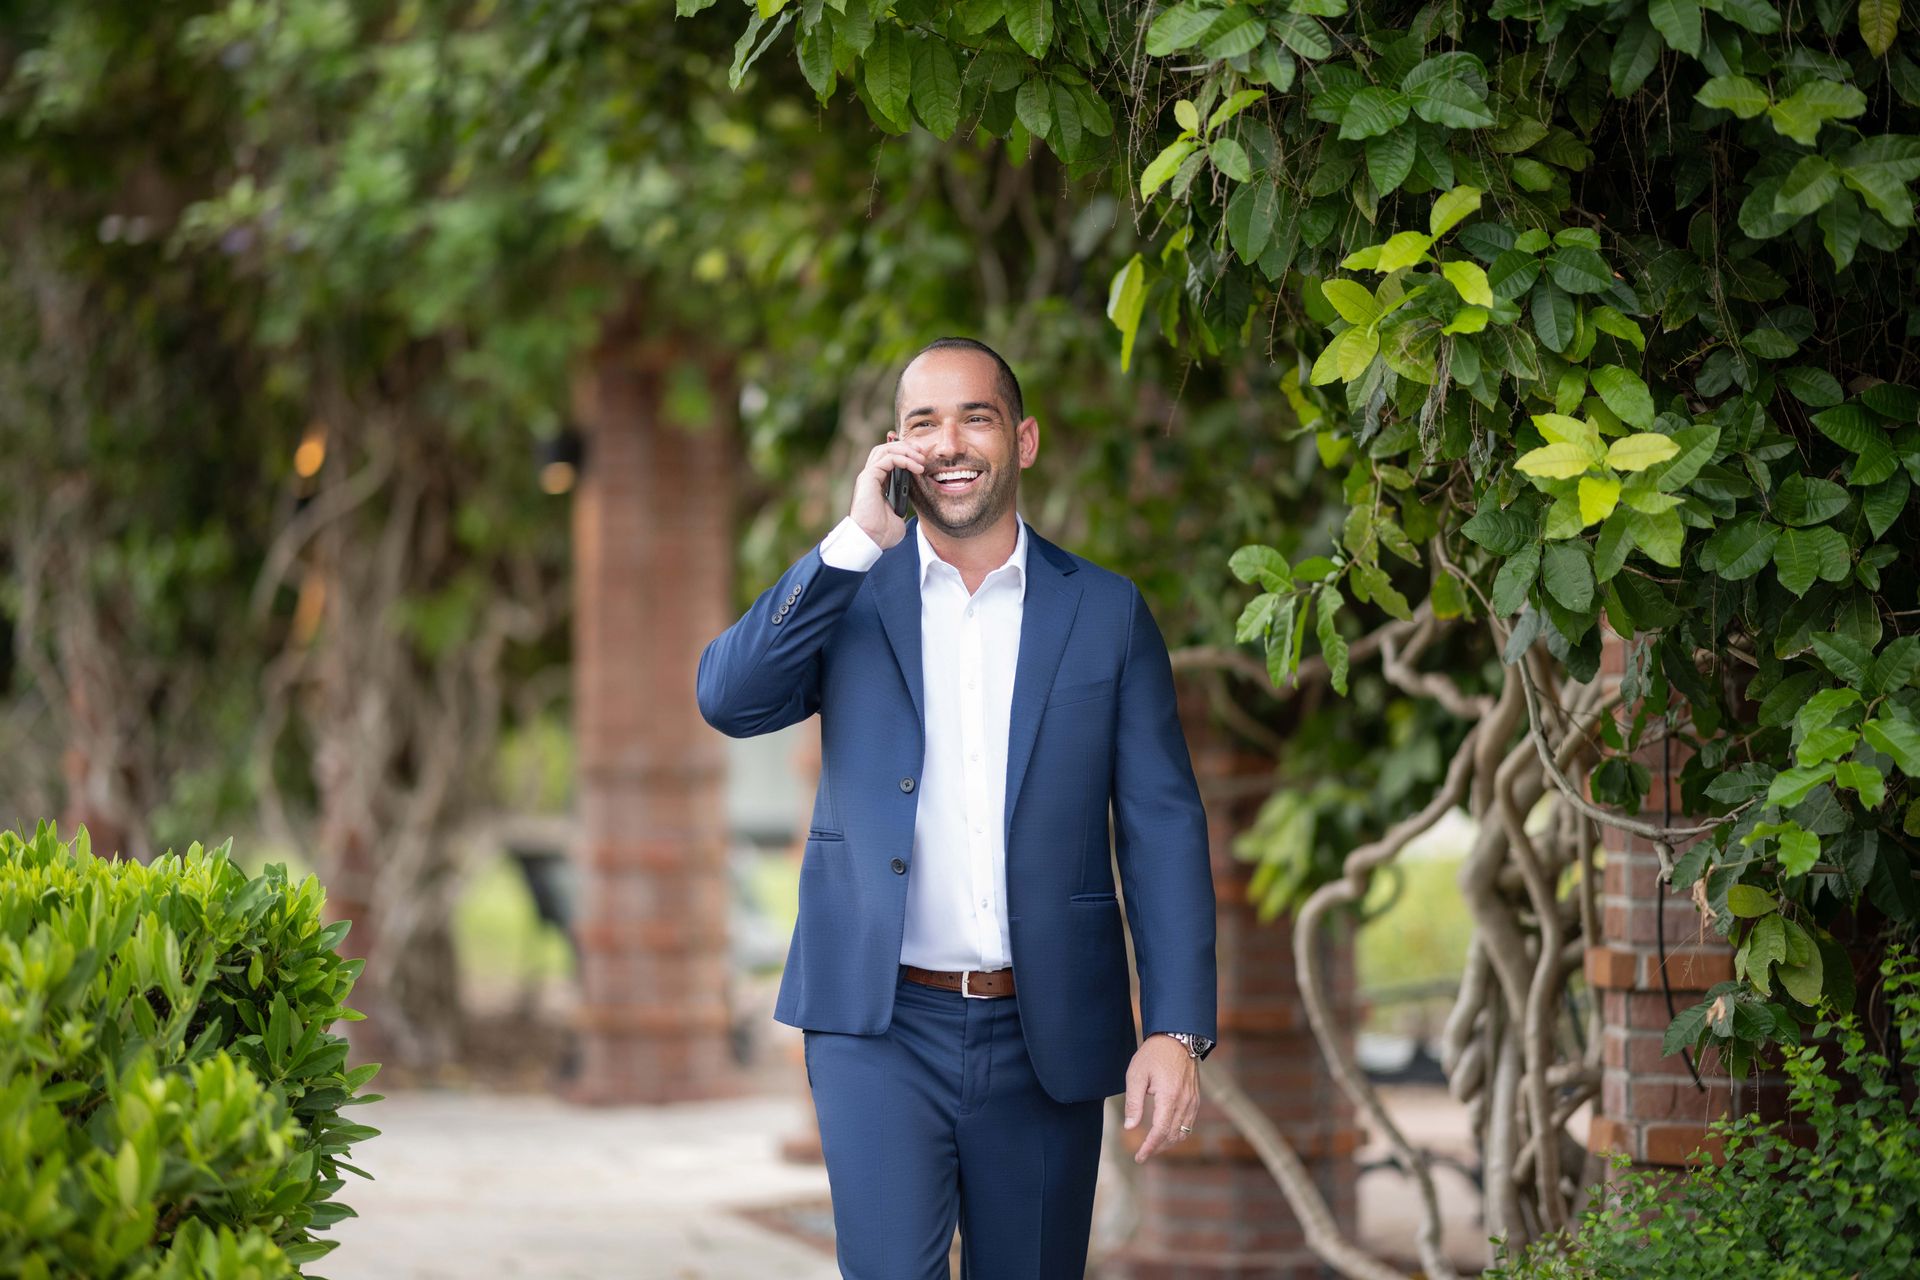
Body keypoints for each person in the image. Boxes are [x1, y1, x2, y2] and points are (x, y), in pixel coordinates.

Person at [695, 337, 1217, 1278]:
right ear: (897, 449)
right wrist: (854, 541)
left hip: (1045, 1029)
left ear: (1023, 439)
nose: (950, 443)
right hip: (880, 1029)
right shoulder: (850, 596)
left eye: (974, 416)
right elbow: (730, 699)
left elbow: (1162, 829)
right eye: (923, 423)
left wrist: (1175, 1030)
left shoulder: (1105, 612)